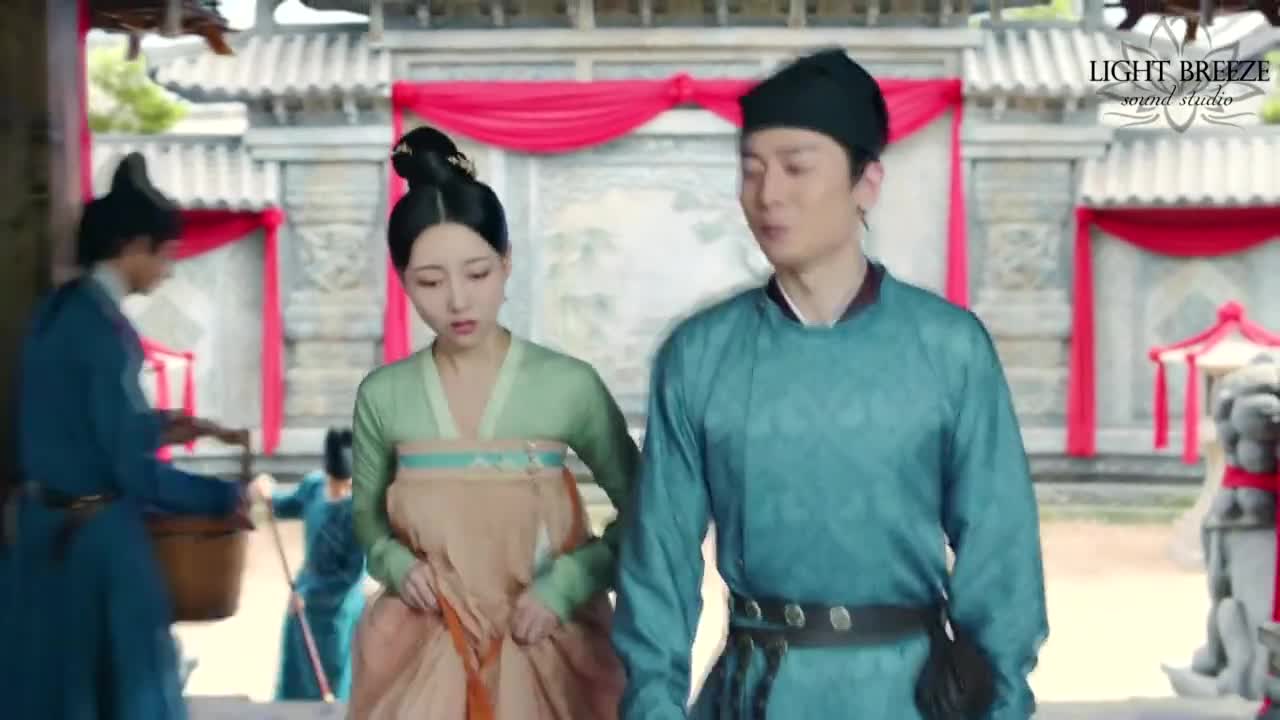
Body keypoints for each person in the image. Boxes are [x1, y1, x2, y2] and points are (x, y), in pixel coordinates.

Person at [610, 48, 1049, 720]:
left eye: (796, 167)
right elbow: (658, 562)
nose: (768, 194)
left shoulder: (950, 349)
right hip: (755, 694)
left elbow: (1001, 553)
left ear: (866, 182)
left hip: (908, 696)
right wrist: (653, 708)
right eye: (751, 170)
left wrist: (1003, 706)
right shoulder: (699, 356)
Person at [347, 126, 640, 719]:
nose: (457, 300)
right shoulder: (384, 396)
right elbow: (368, 523)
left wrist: (567, 585)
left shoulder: (568, 385)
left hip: (547, 645)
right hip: (423, 649)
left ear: (506, 264)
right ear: (402, 279)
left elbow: (649, 512)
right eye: (430, 282)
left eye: (478, 273)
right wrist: (398, 566)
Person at [2, 153, 250, 720]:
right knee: (133, 691)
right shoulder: (106, 334)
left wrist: (161, 424)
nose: (167, 270)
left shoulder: (55, 313)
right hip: (94, 542)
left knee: (46, 692)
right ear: (134, 247)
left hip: (40, 536)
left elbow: (76, 425)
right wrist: (223, 496)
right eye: (165, 254)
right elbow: (131, 471)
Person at [253, 427, 367, 702]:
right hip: (302, 596)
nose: (340, 489)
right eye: (335, 483)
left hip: (337, 610)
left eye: (346, 484)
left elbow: (352, 575)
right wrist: (267, 494)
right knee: (296, 672)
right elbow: (284, 505)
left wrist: (310, 595)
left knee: (333, 673)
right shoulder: (314, 487)